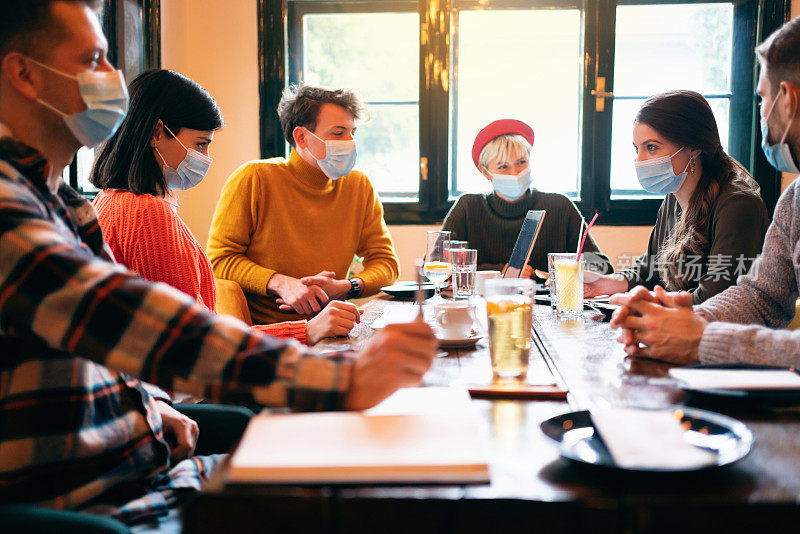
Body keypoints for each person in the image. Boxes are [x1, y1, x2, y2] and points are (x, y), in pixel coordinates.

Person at [0, 1, 436, 529]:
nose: (113, 79)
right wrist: (336, 380)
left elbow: (107, 354)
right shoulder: (10, 208)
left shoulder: (62, 202)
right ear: (24, 73)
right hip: (105, 494)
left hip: (141, 459)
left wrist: (149, 412)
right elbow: (133, 322)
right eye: (93, 59)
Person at [90, 68, 359, 345]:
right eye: (201, 144)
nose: (205, 158)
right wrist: (307, 330)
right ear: (157, 132)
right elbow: (194, 342)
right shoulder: (148, 213)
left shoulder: (109, 200)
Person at [609, 16, 800, 366]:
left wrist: (698, 333)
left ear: (786, 98)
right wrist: (678, 319)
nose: (761, 112)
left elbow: (735, 296)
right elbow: (760, 298)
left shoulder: (738, 203)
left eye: (762, 99)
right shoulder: (795, 198)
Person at [207, 85, 400, 325]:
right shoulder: (254, 178)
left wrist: (346, 287)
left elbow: (387, 264)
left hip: (335, 328)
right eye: (339, 133)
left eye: (353, 132)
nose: (350, 142)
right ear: (301, 137)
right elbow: (218, 261)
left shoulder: (358, 186)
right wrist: (281, 283)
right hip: (267, 335)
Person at [585, 91, 769, 304]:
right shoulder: (672, 200)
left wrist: (647, 303)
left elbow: (716, 301)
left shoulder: (739, 206)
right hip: (682, 331)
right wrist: (606, 282)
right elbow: (649, 269)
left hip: (722, 334)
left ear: (693, 148)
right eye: (637, 149)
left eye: (651, 147)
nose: (639, 160)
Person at [441, 119, 612, 277]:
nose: (515, 173)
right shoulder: (468, 207)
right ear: (485, 172)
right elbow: (438, 265)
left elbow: (603, 267)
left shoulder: (560, 206)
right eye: (503, 166)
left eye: (521, 162)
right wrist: (501, 272)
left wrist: (566, 272)